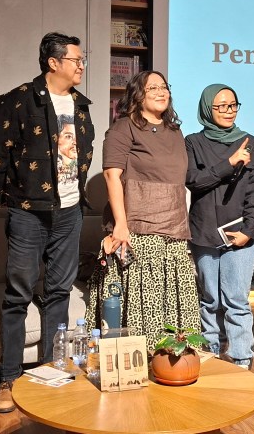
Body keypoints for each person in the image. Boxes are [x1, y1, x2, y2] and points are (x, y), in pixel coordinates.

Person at [0, 32, 95, 413]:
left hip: (70, 211)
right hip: (28, 212)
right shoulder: (17, 100)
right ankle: (9, 378)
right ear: (54, 62)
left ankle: (53, 372)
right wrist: (10, 199)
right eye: (76, 60)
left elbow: (85, 151)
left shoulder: (81, 105)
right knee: (18, 294)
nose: (82, 66)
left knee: (59, 293)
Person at [89, 70, 199, 350]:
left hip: (174, 229)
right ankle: (142, 361)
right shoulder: (123, 127)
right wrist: (120, 225)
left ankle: (172, 360)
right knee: (143, 303)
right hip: (138, 229)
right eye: (153, 88)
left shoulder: (174, 131)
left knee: (173, 301)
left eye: (164, 87)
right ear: (138, 95)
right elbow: (112, 175)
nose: (161, 92)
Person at [185, 84, 254, 369]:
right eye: (221, 106)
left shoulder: (249, 142)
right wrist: (229, 163)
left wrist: (248, 231)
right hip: (204, 232)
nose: (229, 111)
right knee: (209, 299)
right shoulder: (193, 142)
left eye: (233, 105)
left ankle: (242, 359)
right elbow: (193, 181)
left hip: (239, 234)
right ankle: (210, 356)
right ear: (208, 109)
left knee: (237, 301)